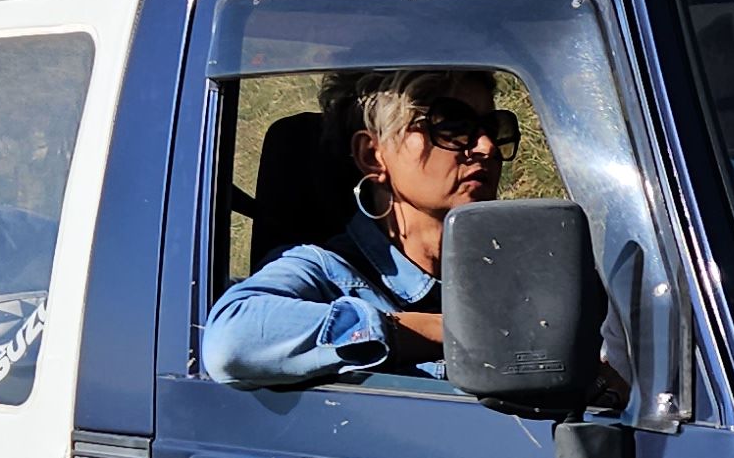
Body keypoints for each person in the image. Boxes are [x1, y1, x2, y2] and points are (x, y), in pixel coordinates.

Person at [202, 65, 515, 388]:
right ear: (372, 156)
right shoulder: (326, 275)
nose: (487, 147)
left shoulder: (509, 276)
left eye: (493, 128)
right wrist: (447, 332)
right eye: (452, 126)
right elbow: (231, 341)